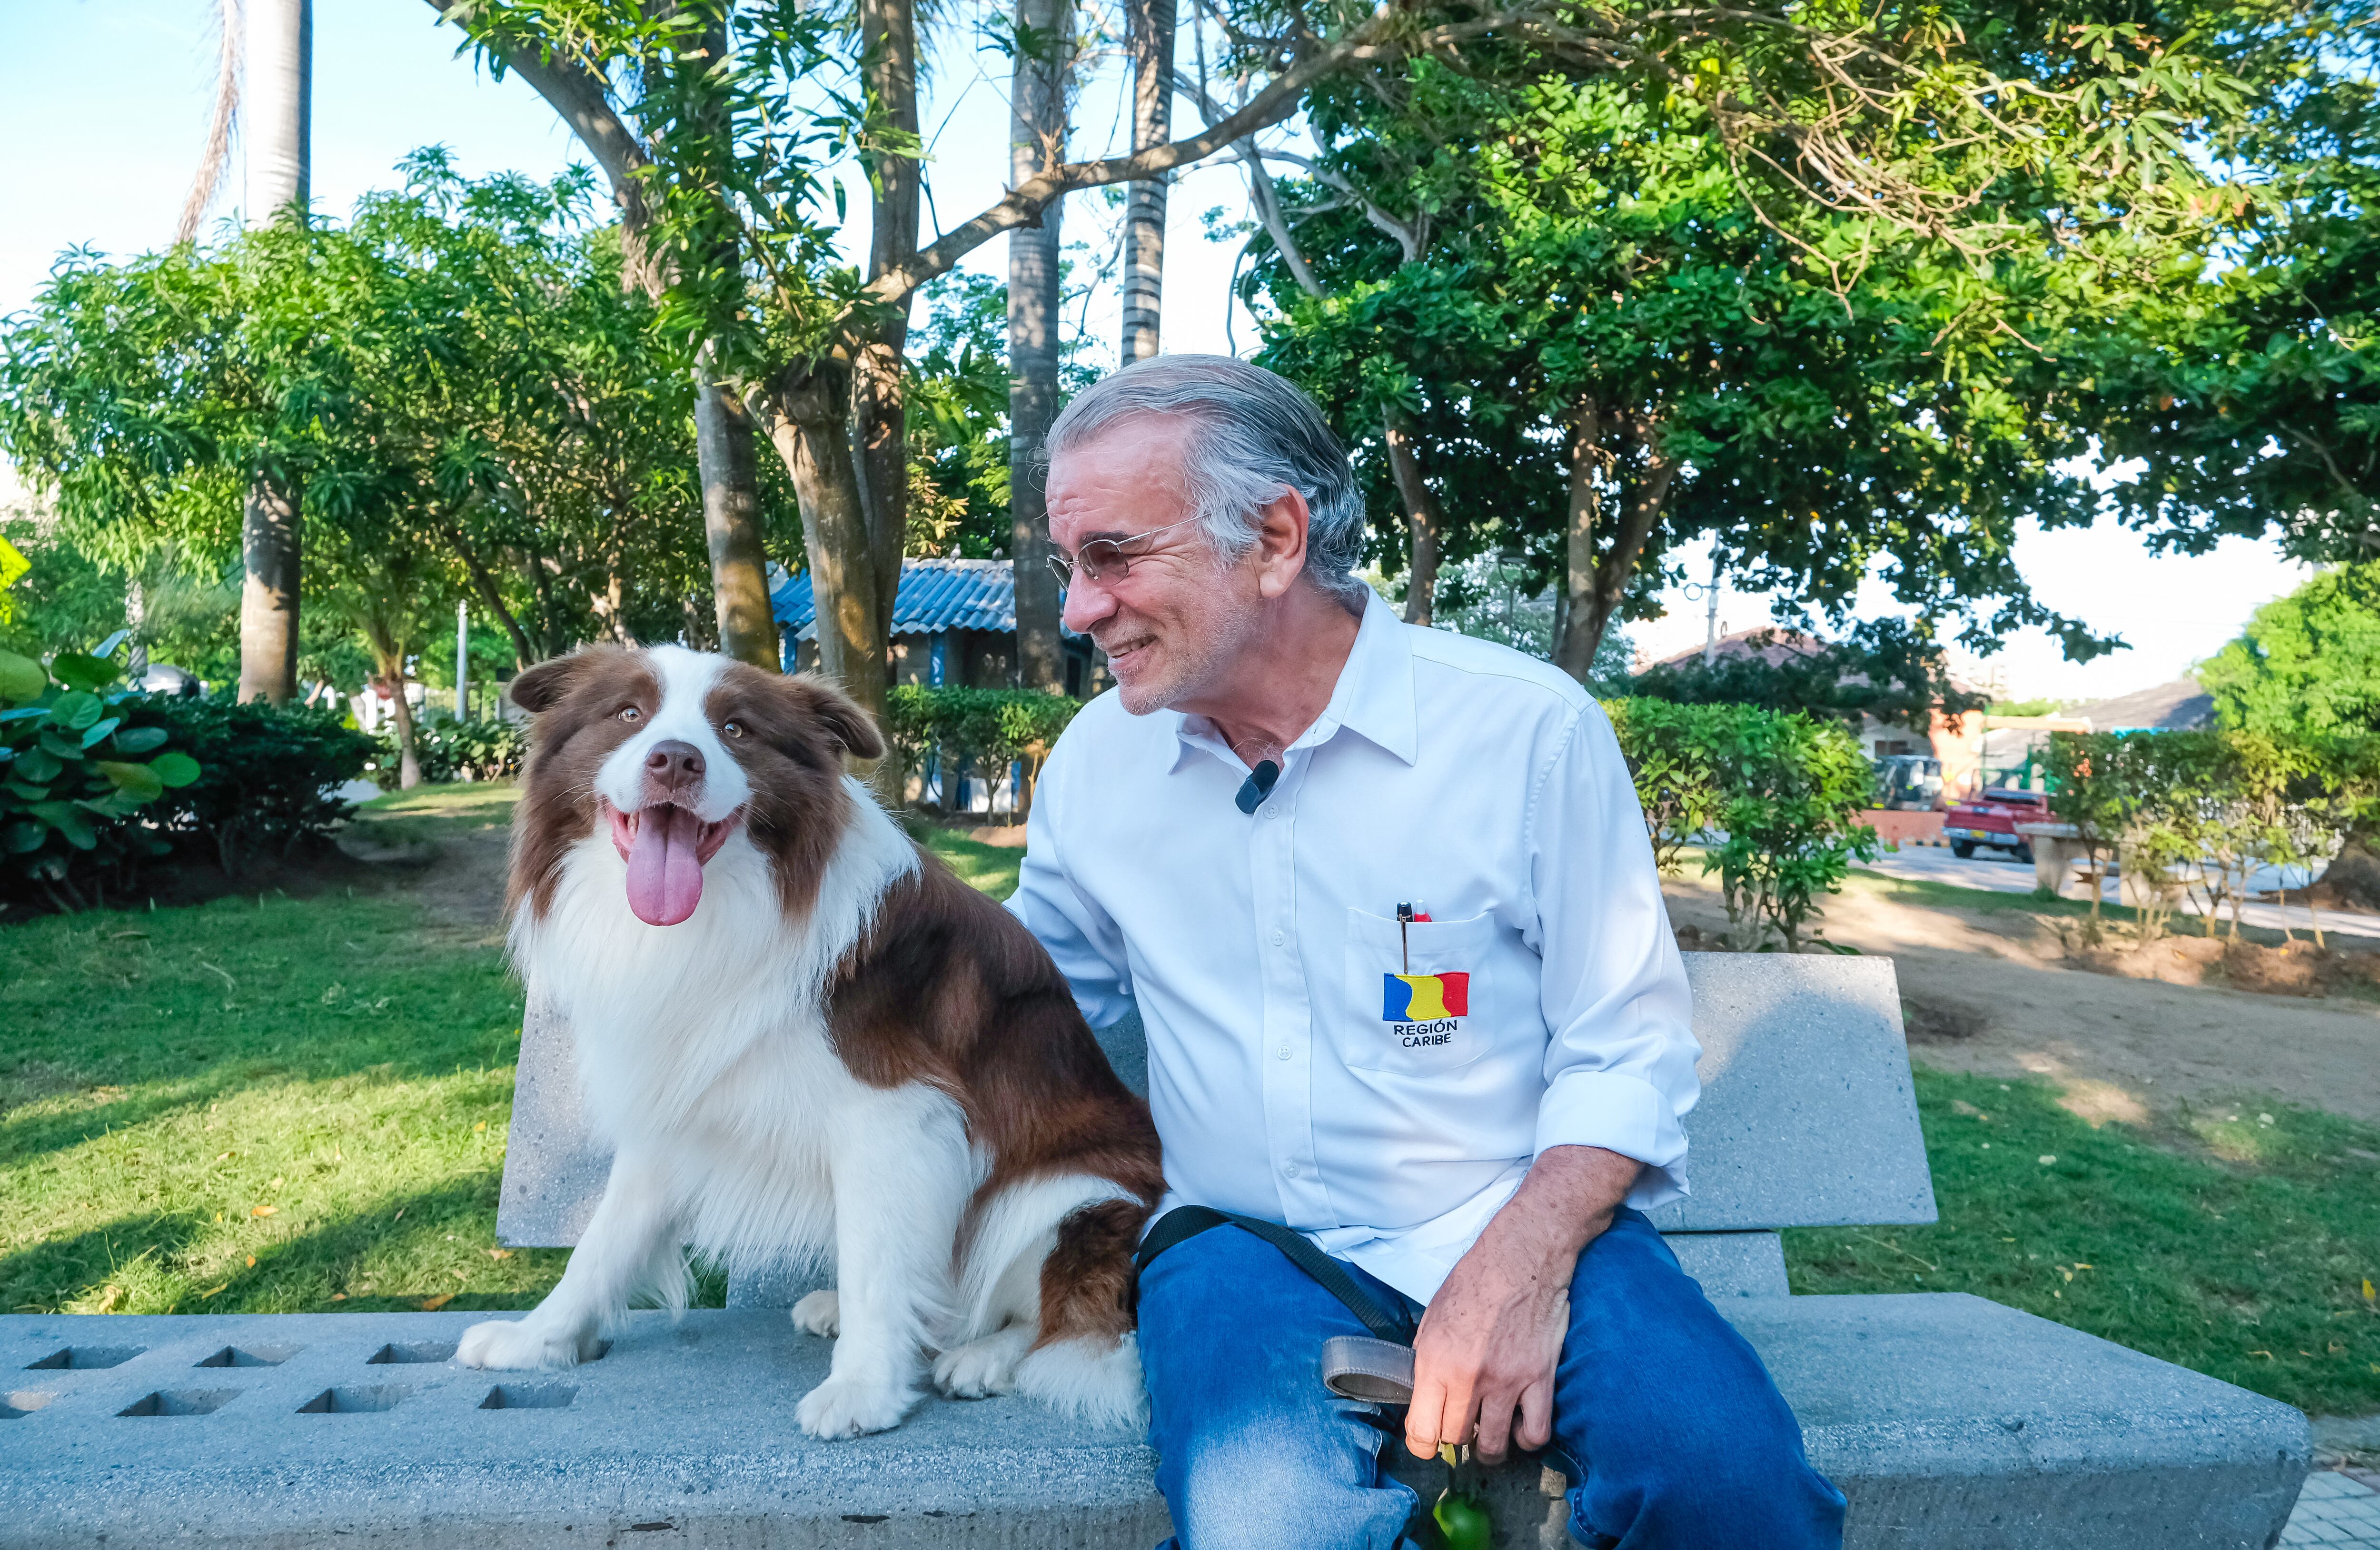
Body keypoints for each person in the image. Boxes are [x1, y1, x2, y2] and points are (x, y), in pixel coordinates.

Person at [1004, 355, 1844, 1550]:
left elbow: (1626, 1041)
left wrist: (1519, 1266)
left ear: (1276, 537)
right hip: (1238, 1246)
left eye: (1115, 557)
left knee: (1725, 1485)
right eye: (1069, 566)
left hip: (1515, 1213)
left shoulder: (1523, 730)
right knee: (1268, 1535)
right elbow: (1013, 1014)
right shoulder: (1101, 761)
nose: (1081, 608)